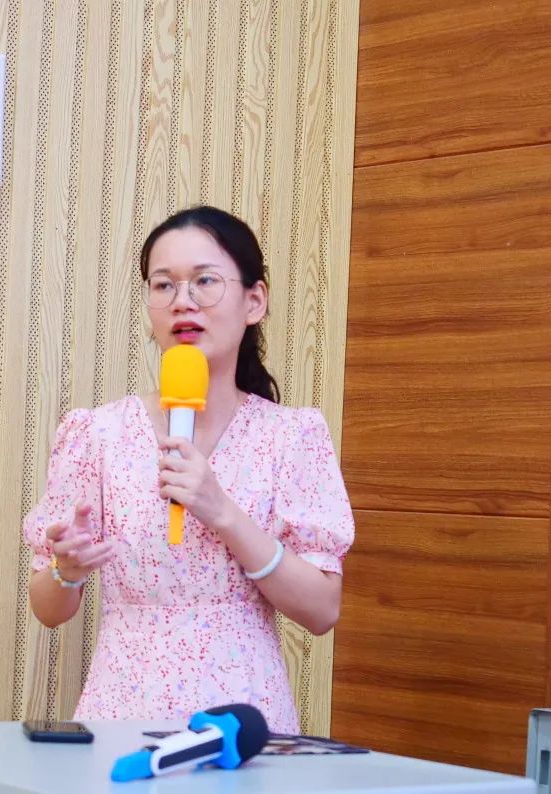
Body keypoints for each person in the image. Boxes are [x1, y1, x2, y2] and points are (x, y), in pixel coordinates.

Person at [24, 206, 354, 733]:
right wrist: (68, 568)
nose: (183, 301)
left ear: (254, 301)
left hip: (242, 722)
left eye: (205, 281)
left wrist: (222, 512)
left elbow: (321, 611)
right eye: (164, 285)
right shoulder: (98, 433)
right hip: (122, 713)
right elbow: (48, 609)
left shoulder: (292, 437)